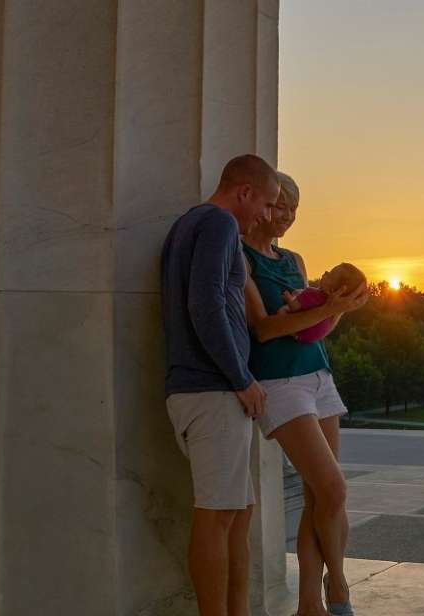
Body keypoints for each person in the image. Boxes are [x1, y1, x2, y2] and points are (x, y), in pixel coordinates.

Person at [241, 171, 367, 616]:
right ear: (258, 203)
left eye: (294, 209)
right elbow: (266, 328)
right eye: (279, 206)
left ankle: (310, 605)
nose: (286, 216)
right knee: (333, 488)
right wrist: (332, 306)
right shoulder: (240, 257)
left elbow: (315, 327)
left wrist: (343, 308)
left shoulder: (293, 260)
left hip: (318, 375)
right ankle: (340, 585)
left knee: (320, 497)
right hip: (279, 383)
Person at [161, 154, 278, 616]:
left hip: (201, 390)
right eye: (266, 204)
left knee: (238, 512)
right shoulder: (220, 224)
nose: (265, 217)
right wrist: (241, 377)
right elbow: (206, 304)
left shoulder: (189, 225)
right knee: (218, 515)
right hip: (211, 390)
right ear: (243, 192)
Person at [283, 262, 369, 343]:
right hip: (311, 338)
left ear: (331, 290)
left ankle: (292, 333)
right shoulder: (334, 311)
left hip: (300, 333)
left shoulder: (312, 293)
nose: (325, 272)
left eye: (330, 275)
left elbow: (294, 307)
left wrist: (287, 297)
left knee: (283, 310)